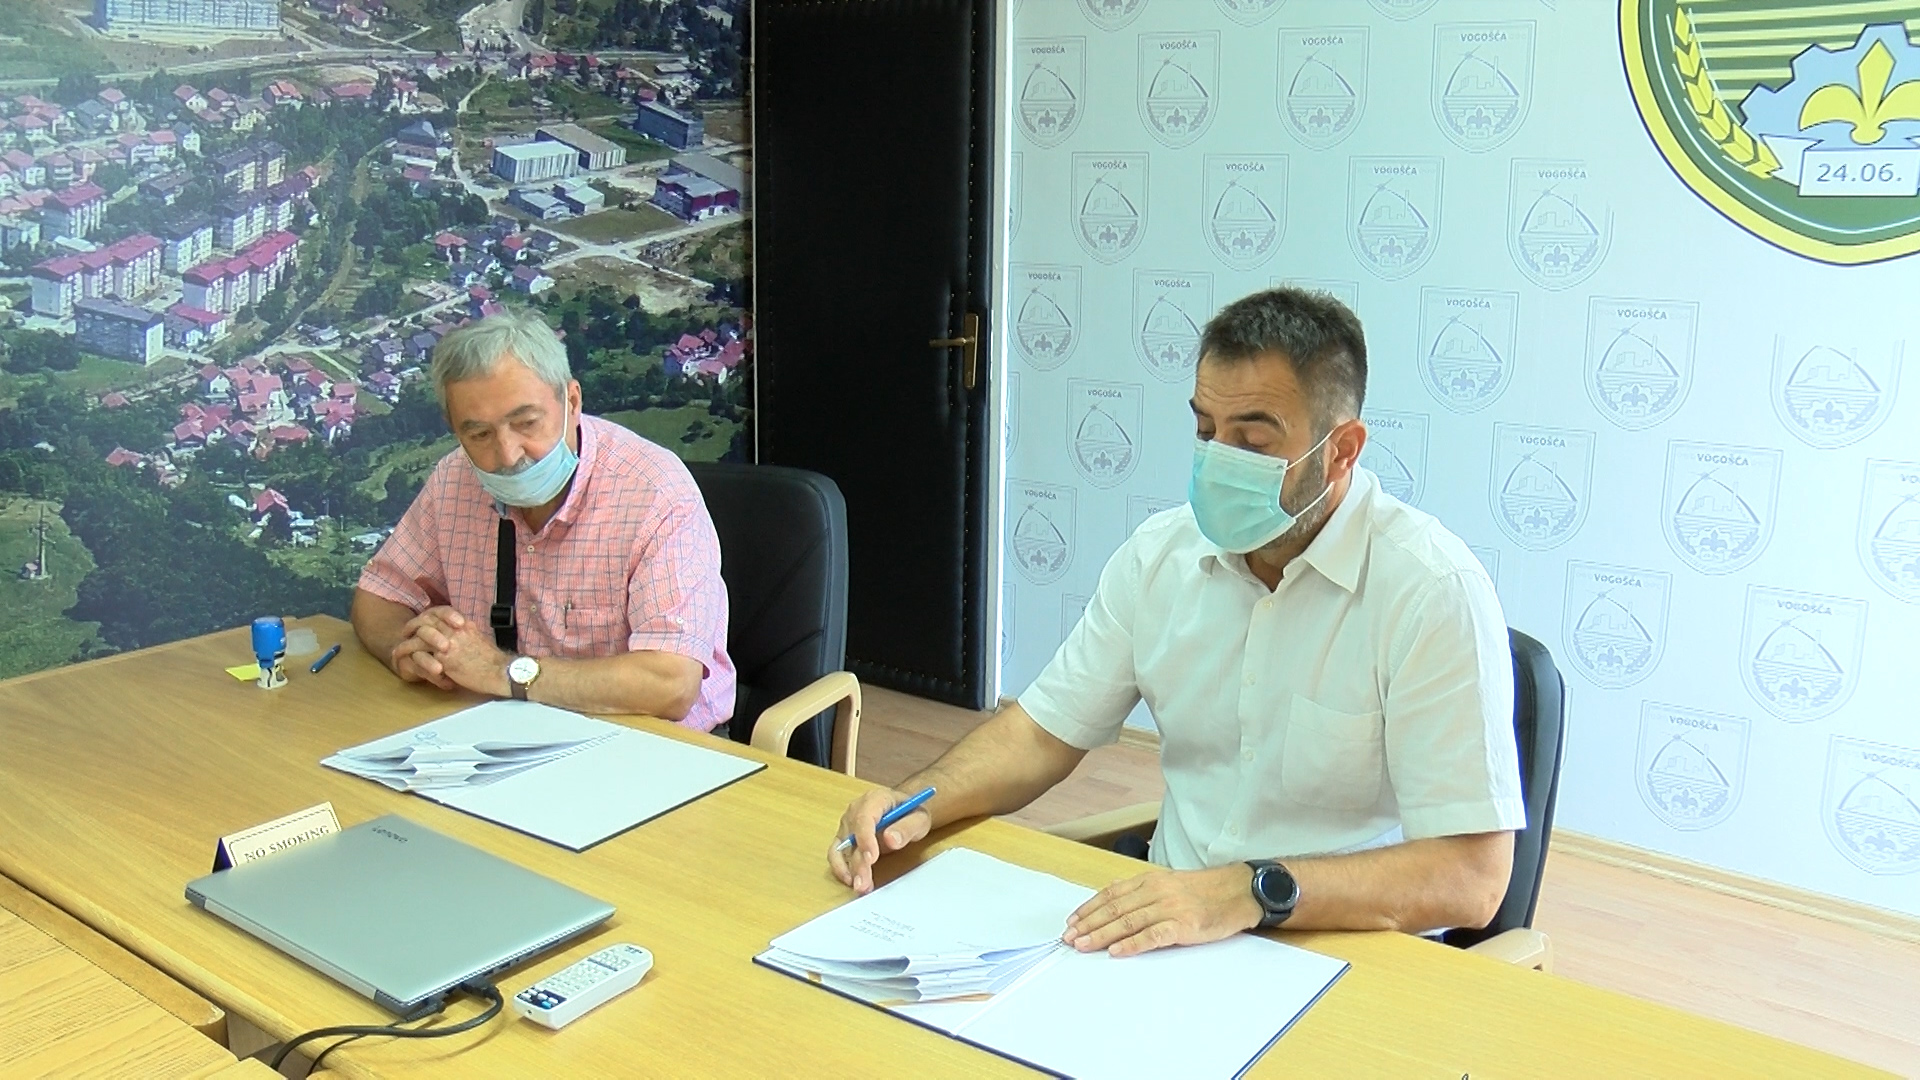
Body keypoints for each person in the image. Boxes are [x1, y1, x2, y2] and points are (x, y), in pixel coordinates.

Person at [830, 287, 1523, 956]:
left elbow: (1472, 878)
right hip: (1169, 932)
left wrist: (1249, 891)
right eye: (1204, 431)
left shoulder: (1432, 592)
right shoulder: (1160, 557)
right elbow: (1042, 735)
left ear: (1341, 450)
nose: (1218, 461)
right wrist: (915, 802)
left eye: (1252, 442)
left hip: (1345, 947)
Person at [351, 311, 736, 733]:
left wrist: (500, 671)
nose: (508, 454)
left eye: (526, 423)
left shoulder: (656, 492)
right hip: (505, 733)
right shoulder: (454, 479)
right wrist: (409, 649)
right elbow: (379, 596)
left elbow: (671, 685)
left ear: (572, 401)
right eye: (479, 435)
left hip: (650, 744)